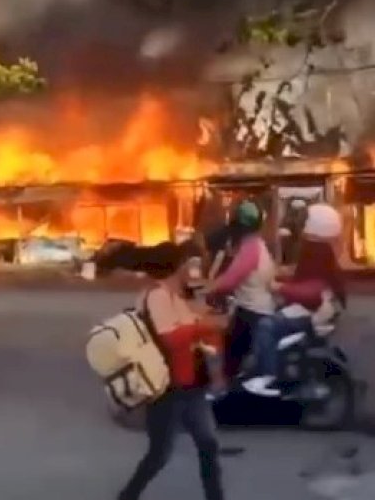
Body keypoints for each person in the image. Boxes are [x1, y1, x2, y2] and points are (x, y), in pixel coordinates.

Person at [119, 241, 227, 500]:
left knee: (208, 444)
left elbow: (192, 331)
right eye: (185, 263)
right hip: (168, 387)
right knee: (159, 455)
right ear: (175, 267)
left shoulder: (175, 295)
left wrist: (206, 326)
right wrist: (206, 326)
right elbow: (170, 338)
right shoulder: (157, 295)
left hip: (191, 384)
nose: (189, 269)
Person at [242, 202, 346, 396]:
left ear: (316, 226)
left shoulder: (318, 251)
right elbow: (305, 280)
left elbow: (313, 291)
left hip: (311, 313)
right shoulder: (320, 250)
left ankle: (267, 375)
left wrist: (281, 288)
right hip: (312, 310)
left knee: (266, 325)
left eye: (305, 220)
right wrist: (281, 279)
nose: (300, 225)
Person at [204, 200, 277, 377]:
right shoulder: (256, 245)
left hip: (251, 313)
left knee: (231, 360)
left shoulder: (250, 248)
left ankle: (227, 396)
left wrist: (210, 290)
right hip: (259, 309)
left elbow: (231, 280)